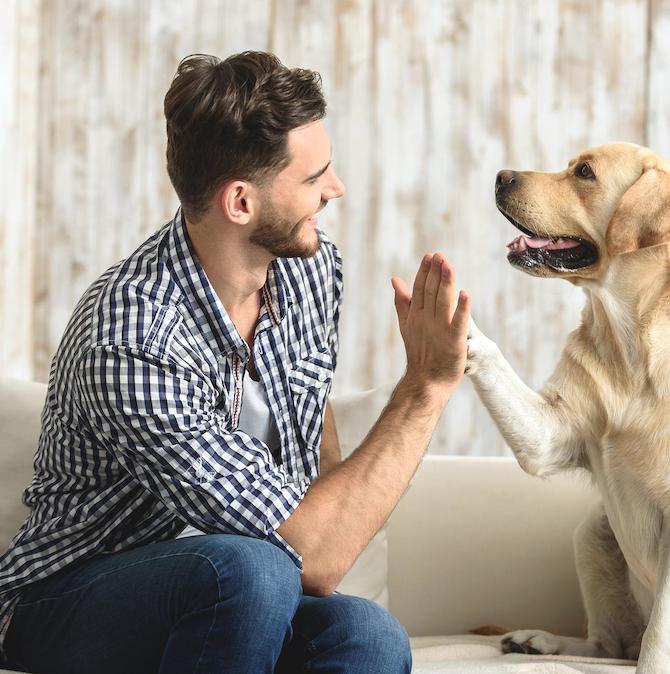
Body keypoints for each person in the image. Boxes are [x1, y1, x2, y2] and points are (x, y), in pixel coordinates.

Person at [0, 50, 470, 673]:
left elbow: (315, 460)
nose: (336, 189)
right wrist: (426, 387)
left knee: (367, 635)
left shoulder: (309, 270)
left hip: (241, 597)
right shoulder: (132, 334)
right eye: (314, 178)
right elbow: (318, 555)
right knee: (251, 568)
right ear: (241, 203)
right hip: (66, 599)